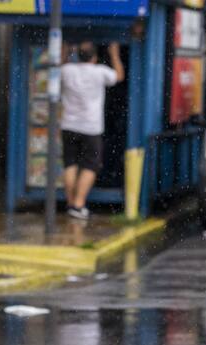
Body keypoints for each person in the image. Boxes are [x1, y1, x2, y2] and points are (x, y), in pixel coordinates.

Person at [61, 41, 125, 220]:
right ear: (95, 57)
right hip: (91, 127)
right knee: (91, 164)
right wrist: (114, 55)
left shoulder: (67, 70)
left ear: (78, 55)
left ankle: (70, 202)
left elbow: (57, 67)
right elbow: (119, 76)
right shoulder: (100, 72)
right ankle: (79, 205)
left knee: (70, 164)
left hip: (69, 125)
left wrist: (65, 52)